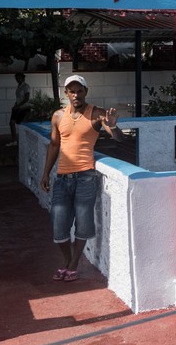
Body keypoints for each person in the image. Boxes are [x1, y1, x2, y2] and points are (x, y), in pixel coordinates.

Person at [40, 75, 124, 281]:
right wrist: (46, 173)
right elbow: (54, 145)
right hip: (62, 178)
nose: (76, 95)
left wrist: (113, 126)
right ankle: (68, 260)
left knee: (83, 223)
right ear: (66, 93)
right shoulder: (58, 116)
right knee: (59, 225)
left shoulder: (97, 113)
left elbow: (119, 138)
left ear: (86, 91)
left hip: (86, 176)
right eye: (72, 91)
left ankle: (73, 264)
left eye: (79, 91)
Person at [6, 72, 32, 146]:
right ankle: (14, 140)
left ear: (23, 78)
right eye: (16, 78)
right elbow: (19, 98)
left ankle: (25, 140)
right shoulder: (19, 86)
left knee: (23, 124)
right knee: (12, 123)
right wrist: (16, 105)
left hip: (24, 108)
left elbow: (27, 98)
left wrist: (18, 106)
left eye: (19, 78)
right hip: (18, 107)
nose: (17, 79)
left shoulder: (26, 86)